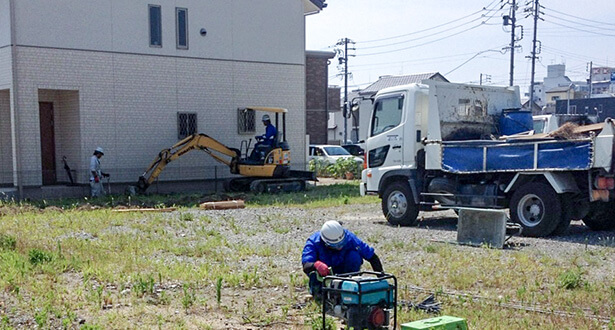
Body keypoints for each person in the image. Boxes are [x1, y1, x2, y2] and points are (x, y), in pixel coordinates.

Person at [301, 220, 384, 297]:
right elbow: (306, 265)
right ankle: (320, 292)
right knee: (313, 273)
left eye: (342, 244)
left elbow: (372, 257)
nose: (340, 247)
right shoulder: (313, 242)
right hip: (324, 275)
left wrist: (382, 280)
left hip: (345, 272)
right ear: (325, 243)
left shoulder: (349, 237)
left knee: (354, 256)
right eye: (336, 246)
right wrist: (316, 265)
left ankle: (349, 288)